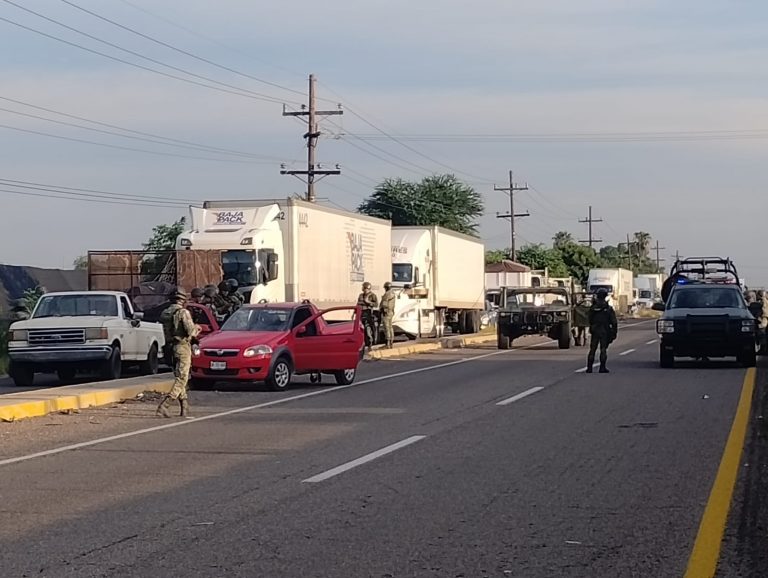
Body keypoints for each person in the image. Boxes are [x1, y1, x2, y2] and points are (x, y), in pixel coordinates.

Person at [156, 290, 200, 418]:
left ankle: (184, 407)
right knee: (183, 378)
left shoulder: (165, 313)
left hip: (169, 347)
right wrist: (197, 327)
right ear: (182, 300)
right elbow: (190, 331)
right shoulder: (183, 313)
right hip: (182, 346)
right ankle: (165, 404)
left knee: (179, 376)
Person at [586, 288, 618, 373]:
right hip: (604, 330)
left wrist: (592, 326)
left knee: (592, 349)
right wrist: (614, 332)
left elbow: (589, 318)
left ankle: (589, 368)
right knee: (603, 349)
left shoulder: (593, 308)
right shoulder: (608, 308)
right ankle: (602, 367)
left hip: (595, 329)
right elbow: (614, 322)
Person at [357, 281, 378, 349]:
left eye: (364, 288)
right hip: (361, 314)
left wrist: (369, 302)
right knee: (361, 330)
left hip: (368, 314)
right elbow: (358, 304)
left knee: (367, 329)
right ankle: (363, 343)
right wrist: (355, 312)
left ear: (367, 288)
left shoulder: (372, 295)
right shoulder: (361, 295)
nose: (363, 289)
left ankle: (370, 343)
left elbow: (376, 304)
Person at [379, 281, 396, 349]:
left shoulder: (387, 294)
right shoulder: (392, 293)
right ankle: (391, 342)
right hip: (390, 311)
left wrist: (382, 309)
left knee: (386, 327)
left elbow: (384, 303)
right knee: (390, 327)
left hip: (386, 312)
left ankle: (388, 343)